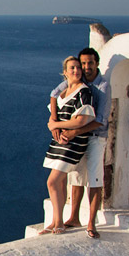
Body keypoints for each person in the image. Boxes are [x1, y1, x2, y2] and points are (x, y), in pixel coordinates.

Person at [49, 47, 111, 239]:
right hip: (78, 138)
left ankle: (91, 223)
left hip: (95, 137)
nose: (86, 67)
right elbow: (54, 93)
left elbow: (100, 119)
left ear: (97, 63)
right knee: (75, 177)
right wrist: (55, 123)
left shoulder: (103, 86)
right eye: (83, 63)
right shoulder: (77, 80)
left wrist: (73, 131)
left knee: (94, 179)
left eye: (90, 63)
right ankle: (73, 218)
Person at [39, 56, 95, 235]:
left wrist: (56, 126)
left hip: (74, 143)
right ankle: (56, 221)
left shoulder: (84, 92)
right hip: (59, 142)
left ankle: (59, 223)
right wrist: (53, 127)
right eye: (72, 68)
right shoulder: (62, 92)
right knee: (60, 183)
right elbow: (54, 117)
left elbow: (81, 120)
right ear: (65, 72)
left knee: (52, 182)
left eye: (78, 68)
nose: (76, 71)